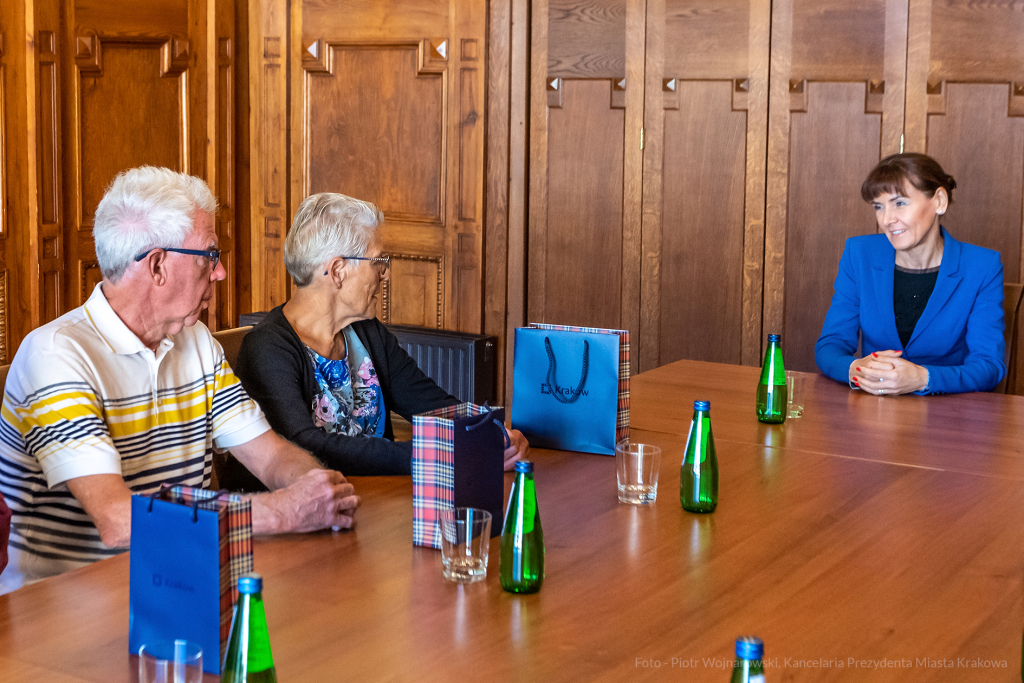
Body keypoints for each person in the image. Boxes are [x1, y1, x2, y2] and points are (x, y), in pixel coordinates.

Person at [0, 167, 359, 594]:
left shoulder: (197, 342)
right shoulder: (57, 355)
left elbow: (270, 456)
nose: (221, 271)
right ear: (157, 267)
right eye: (210, 255)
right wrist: (279, 513)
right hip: (59, 613)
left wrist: (313, 490)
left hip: (173, 584)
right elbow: (116, 521)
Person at [233, 192, 529, 476]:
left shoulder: (367, 333)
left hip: (383, 501)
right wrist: (438, 454)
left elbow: (433, 407)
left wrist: (492, 431)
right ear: (337, 271)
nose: (386, 273)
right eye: (378, 261)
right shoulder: (268, 347)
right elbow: (305, 445)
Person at [815, 153, 1005, 395]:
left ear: (939, 201)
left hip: (949, 416)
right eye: (878, 207)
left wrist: (923, 378)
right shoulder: (859, 253)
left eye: (900, 203)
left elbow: (989, 365)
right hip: (873, 413)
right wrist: (855, 369)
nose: (886, 219)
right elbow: (829, 346)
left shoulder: (982, 266)